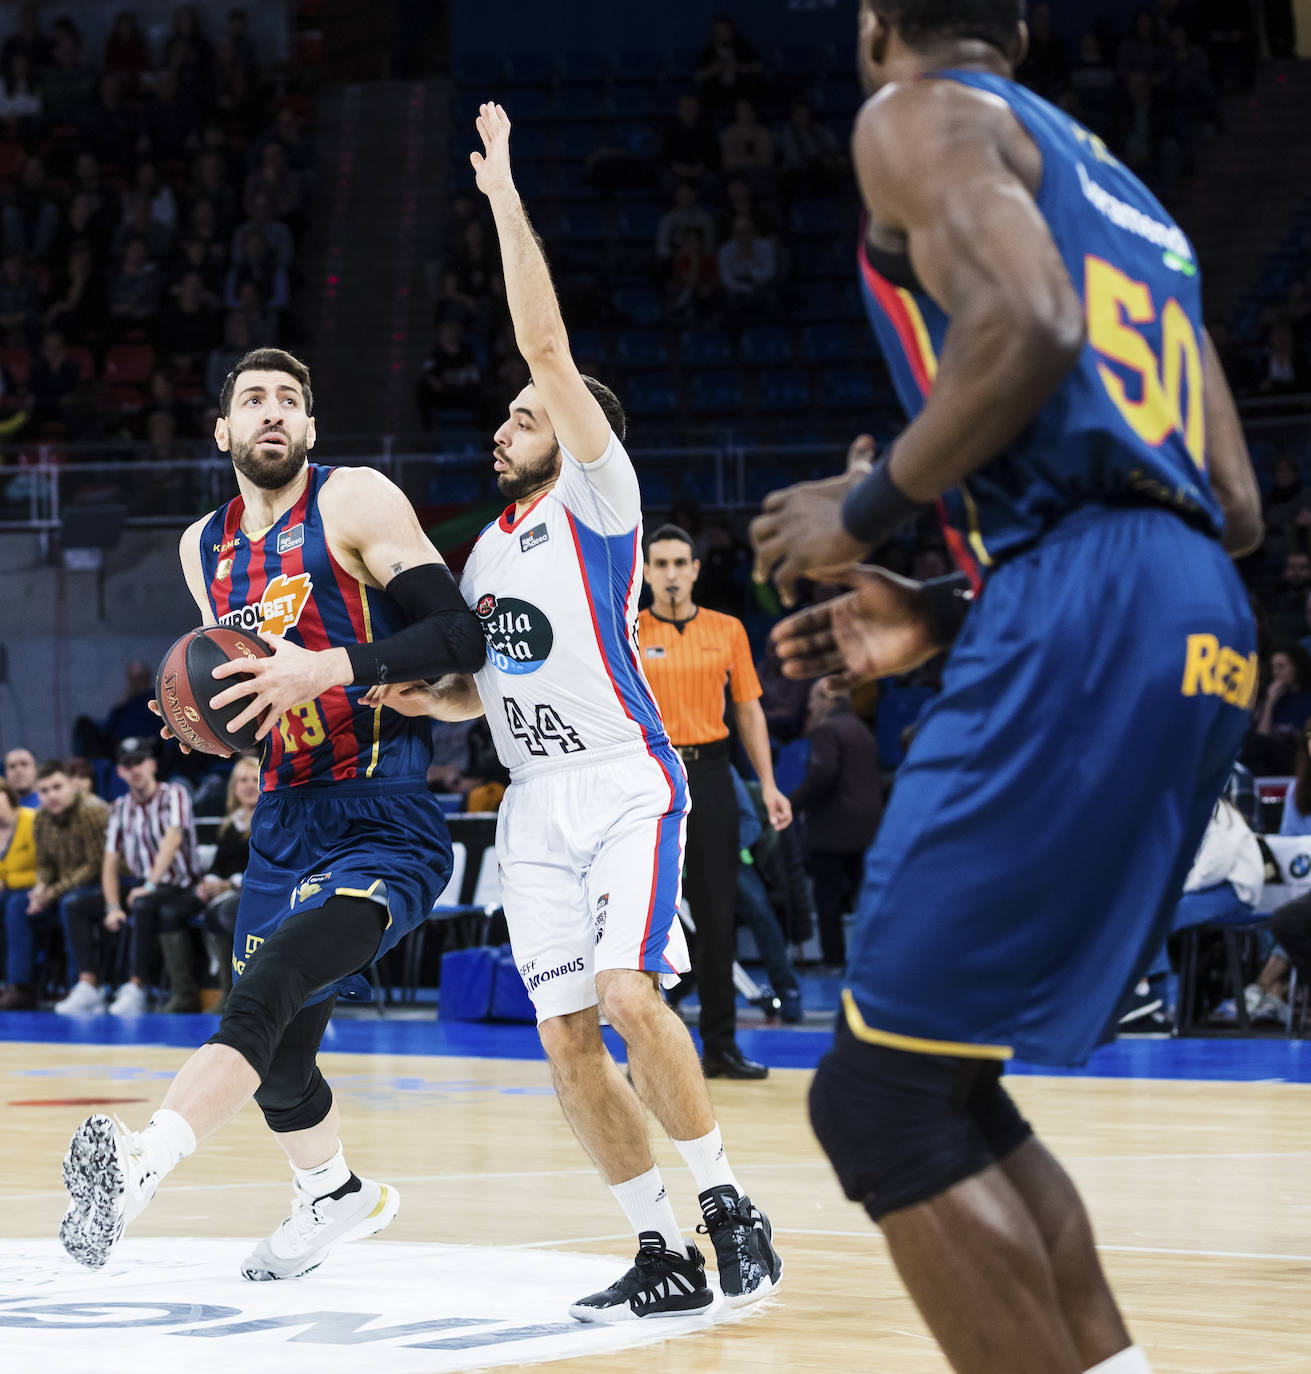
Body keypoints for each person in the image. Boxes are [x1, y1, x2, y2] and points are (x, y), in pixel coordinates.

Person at [750, 5, 1263, 1373]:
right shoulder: (1139, 205)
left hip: (1083, 597)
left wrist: (860, 512)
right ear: (1019, 25)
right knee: (934, 1082)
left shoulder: (912, 114)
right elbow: (1230, 498)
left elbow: (1026, 322)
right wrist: (951, 608)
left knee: (876, 1107)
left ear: (874, 28)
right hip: (1198, 614)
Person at [370, 104, 782, 1321]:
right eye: (502, 418)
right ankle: (656, 1247)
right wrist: (404, 690)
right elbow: (476, 694)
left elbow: (547, 347)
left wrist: (501, 198)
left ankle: (724, 1203)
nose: (507, 425)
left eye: (525, 413)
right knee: (560, 1040)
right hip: (532, 804)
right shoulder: (487, 555)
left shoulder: (603, 496)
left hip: (628, 777)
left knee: (626, 996)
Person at [57, 346, 485, 1275]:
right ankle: (330, 1194)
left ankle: (139, 1166)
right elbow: (237, 679)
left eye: (291, 398)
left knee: (269, 982)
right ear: (223, 432)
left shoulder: (354, 499)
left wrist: (327, 669)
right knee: (282, 1062)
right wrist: (208, 724)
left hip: (382, 812)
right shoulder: (199, 546)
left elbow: (459, 635)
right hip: (284, 818)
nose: (272, 412)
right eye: (253, 399)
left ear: (311, 428)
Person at [637, 523, 792, 1077]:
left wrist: (769, 785)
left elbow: (749, 709)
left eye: (681, 562)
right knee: (642, 916)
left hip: (712, 774)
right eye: (661, 563)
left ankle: (721, 1046)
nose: (672, 573)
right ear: (646, 570)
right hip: (649, 776)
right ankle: (650, 1053)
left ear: (696, 569)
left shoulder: (728, 631)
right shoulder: (627, 629)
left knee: (718, 913)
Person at [85, 738, 203, 1017]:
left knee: (143, 904)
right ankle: (87, 986)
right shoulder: (119, 806)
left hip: (182, 886)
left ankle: (136, 986)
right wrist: (112, 907)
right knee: (75, 905)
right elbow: (110, 859)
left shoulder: (174, 793)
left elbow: (173, 838)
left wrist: (150, 884)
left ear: (152, 764)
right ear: (119, 772)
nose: (134, 769)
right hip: (145, 888)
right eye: (127, 764)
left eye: (139, 762)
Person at [790, 681, 883, 970]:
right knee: (863, 896)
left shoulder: (826, 730)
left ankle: (833, 961)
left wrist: (792, 802)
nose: (809, 707)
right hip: (866, 826)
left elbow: (823, 773)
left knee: (827, 898)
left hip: (834, 827)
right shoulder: (860, 727)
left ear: (828, 701)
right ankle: (871, 959)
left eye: (814, 699)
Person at [32, 761, 112, 1015]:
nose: (51, 795)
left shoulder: (92, 810)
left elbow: (95, 864)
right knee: (18, 905)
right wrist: (40, 886)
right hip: (67, 887)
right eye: (44, 791)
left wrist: (51, 893)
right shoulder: (41, 818)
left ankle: (88, 985)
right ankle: (22, 986)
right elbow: (44, 863)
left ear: (72, 785)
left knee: (72, 904)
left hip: (109, 884)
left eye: (57, 787)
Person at [196, 754, 259, 1011]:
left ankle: (244, 994)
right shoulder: (229, 824)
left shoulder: (269, 819)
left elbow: (260, 869)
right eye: (242, 780)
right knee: (205, 909)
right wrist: (208, 882)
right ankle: (227, 991)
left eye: (255, 779)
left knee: (225, 912)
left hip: (259, 891)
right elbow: (218, 864)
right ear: (234, 787)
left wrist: (227, 885)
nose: (248, 785)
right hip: (231, 890)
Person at [0, 781, 38, 1009]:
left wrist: (9, 882)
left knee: (16, 907)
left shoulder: (31, 820)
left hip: (36, 888)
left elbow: (45, 867)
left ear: (8, 797)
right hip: (8, 891)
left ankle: (19, 986)